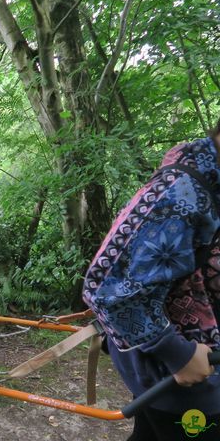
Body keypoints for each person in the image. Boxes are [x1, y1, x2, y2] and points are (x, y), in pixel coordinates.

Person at [83, 130, 220, 440]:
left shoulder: (207, 182)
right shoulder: (179, 196)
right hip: (184, 377)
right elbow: (107, 290)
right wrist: (176, 353)